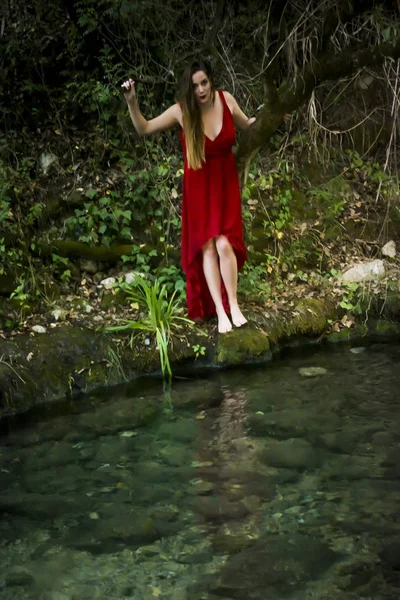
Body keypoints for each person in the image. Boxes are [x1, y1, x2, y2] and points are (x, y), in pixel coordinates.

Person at [122, 59, 255, 333]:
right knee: (208, 245)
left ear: (211, 81)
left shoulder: (226, 100)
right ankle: (219, 311)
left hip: (225, 184)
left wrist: (275, 116)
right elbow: (144, 128)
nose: (201, 90)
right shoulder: (182, 112)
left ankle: (234, 305)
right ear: (189, 89)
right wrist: (132, 102)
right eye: (195, 86)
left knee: (225, 245)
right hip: (199, 187)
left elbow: (248, 124)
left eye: (204, 82)